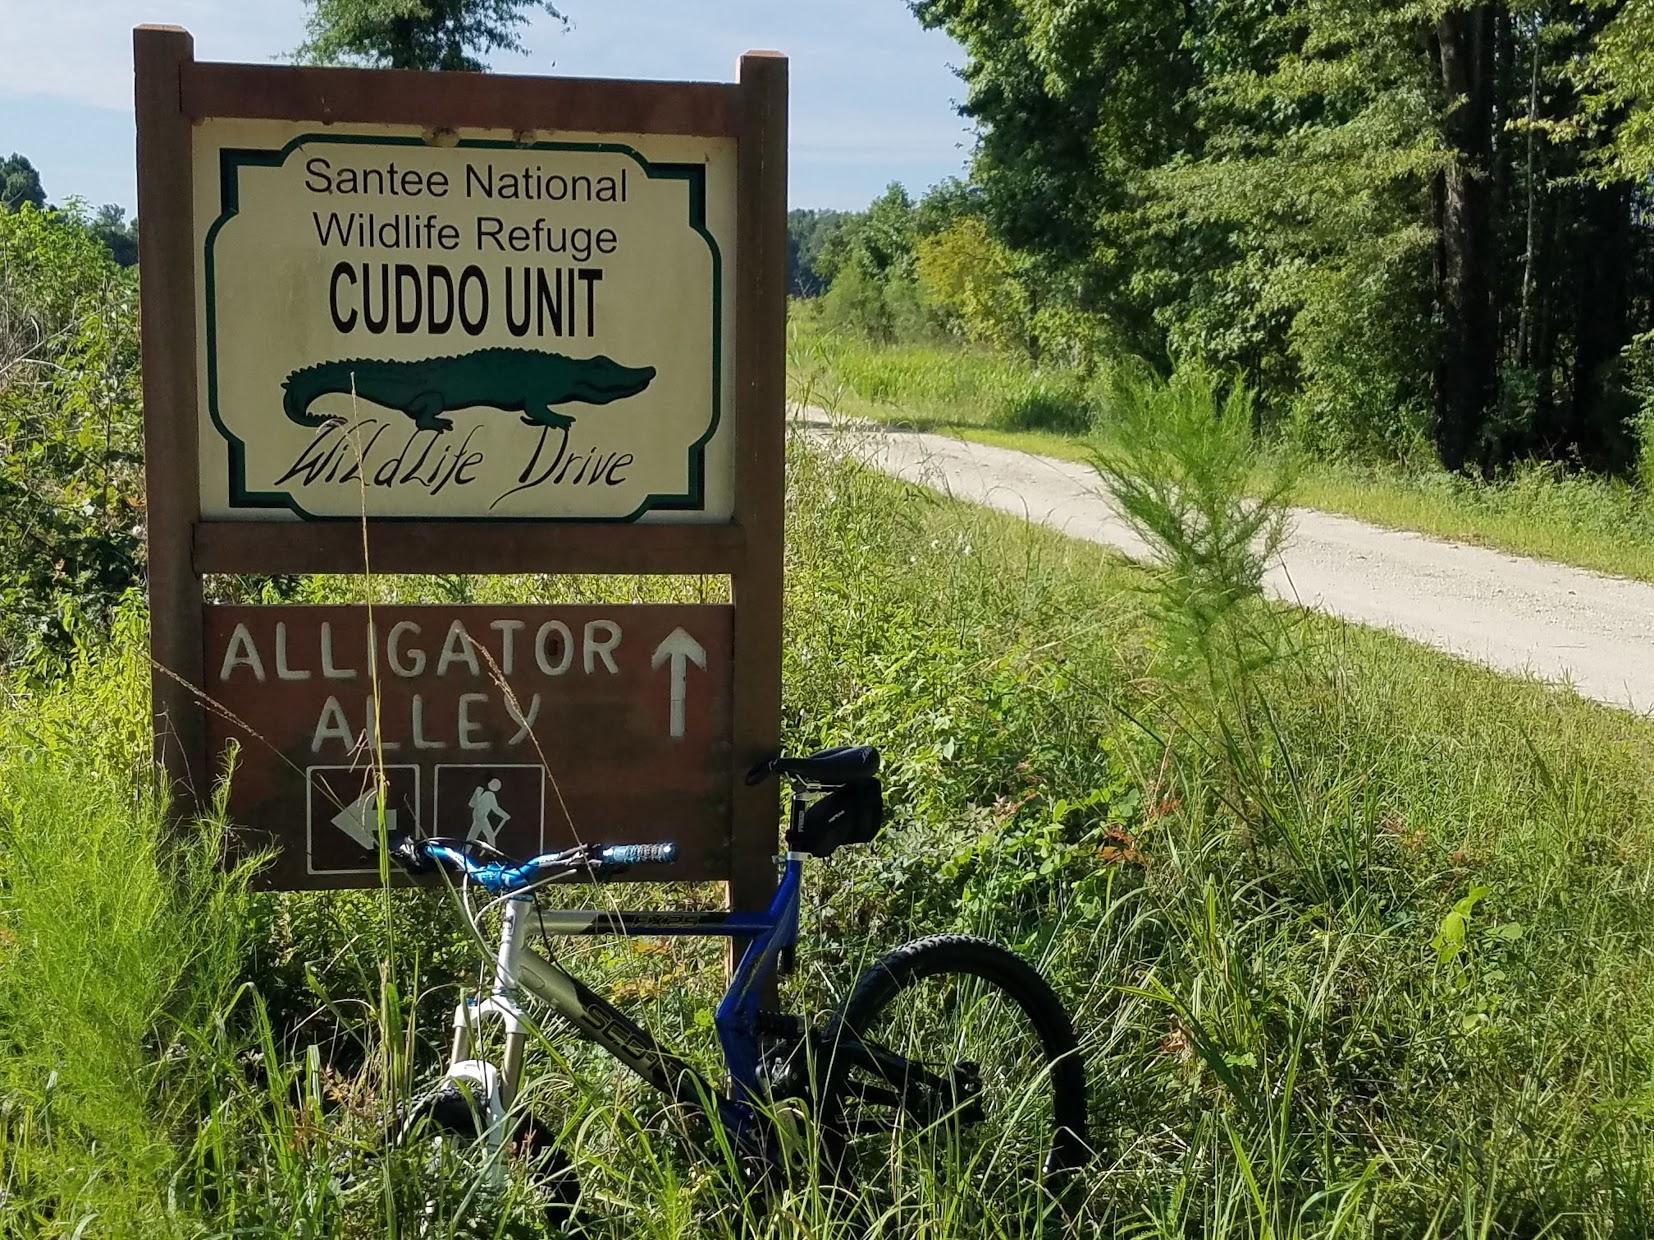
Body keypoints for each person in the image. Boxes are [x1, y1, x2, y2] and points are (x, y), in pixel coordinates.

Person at [467, 777, 511, 847]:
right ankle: (492, 853)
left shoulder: (481, 791)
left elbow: (471, 804)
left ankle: (466, 851)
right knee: (490, 836)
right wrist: (505, 815)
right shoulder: (490, 795)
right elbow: (495, 808)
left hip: (477, 816)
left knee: (473, 835)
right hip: (481, 817)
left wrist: (477, 794)